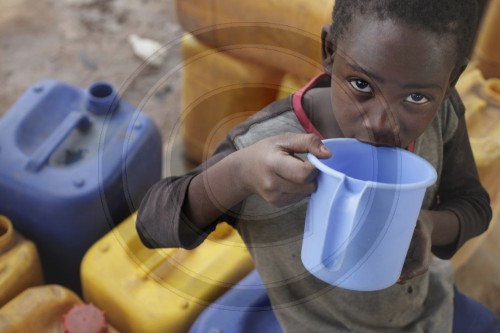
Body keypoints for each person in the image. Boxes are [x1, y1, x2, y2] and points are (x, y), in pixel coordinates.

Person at [137, 0, 500, 331]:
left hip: (430, 312)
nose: (380, 123)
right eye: (361, 85)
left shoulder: (443, 115)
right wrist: (238, 174)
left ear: (450, 80)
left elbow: (473, 206)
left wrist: (427, 226)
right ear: (329, 51)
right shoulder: (265, 147)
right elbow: (152, 225)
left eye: (416, 97)